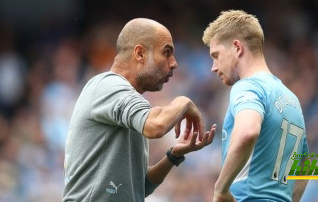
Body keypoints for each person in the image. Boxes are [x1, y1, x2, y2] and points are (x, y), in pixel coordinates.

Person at [63, 18, 216, 201]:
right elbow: (156, 126)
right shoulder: (108, 86)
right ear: (140, 53)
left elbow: (140, 187)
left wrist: (174, 155)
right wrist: (184, 101)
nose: (174, 63)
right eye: (167, 52)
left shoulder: (126, 101)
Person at [202, 10, 309, 202]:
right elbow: (305, 166)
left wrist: (220, 190)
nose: (213, 66)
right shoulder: (292, 99)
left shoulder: (248, 86)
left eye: (216, 55)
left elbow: (248, 132)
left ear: (237, 47)